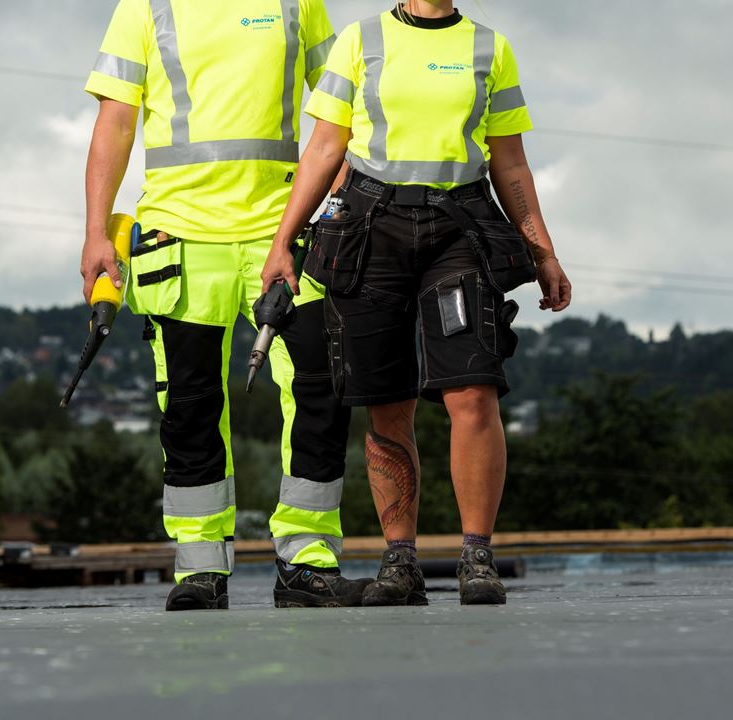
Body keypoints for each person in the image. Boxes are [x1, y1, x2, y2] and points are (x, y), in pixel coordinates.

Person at [262, 0, 572, 606]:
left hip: (459, 226)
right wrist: (283, 244)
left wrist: (543, 252)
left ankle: (477, 557)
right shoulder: (360, 40)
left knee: (473, 389)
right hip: (370, 227)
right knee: (386, 402)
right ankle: (399, 562)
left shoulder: (490, 48)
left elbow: (509, 160)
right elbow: (326, 148)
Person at [81, 0, 371, 611]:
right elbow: (115, 122)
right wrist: (94, 233)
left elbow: (347, 110)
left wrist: (333, 191)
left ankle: (308, 561)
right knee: (188, 402)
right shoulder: (145, 7)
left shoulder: (298, 4)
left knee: (320, 386)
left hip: (281, 233)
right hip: (179, 234)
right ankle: (200, 568)